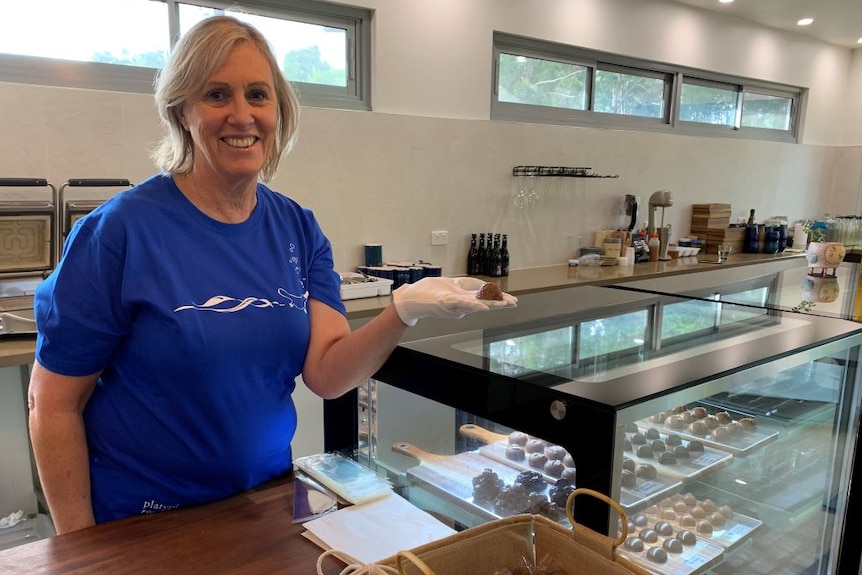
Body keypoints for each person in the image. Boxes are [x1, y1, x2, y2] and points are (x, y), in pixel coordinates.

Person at [27, 15, 516, 535]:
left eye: (258, 95)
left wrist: (403, 310)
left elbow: (327, 375)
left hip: (264, 503)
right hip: (145, 521)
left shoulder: (298, 228)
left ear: (278, 110)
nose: (242, 115)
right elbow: (53, 403)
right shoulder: (120, 231)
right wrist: (79, 549)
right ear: (181, 110)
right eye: (217, 95)